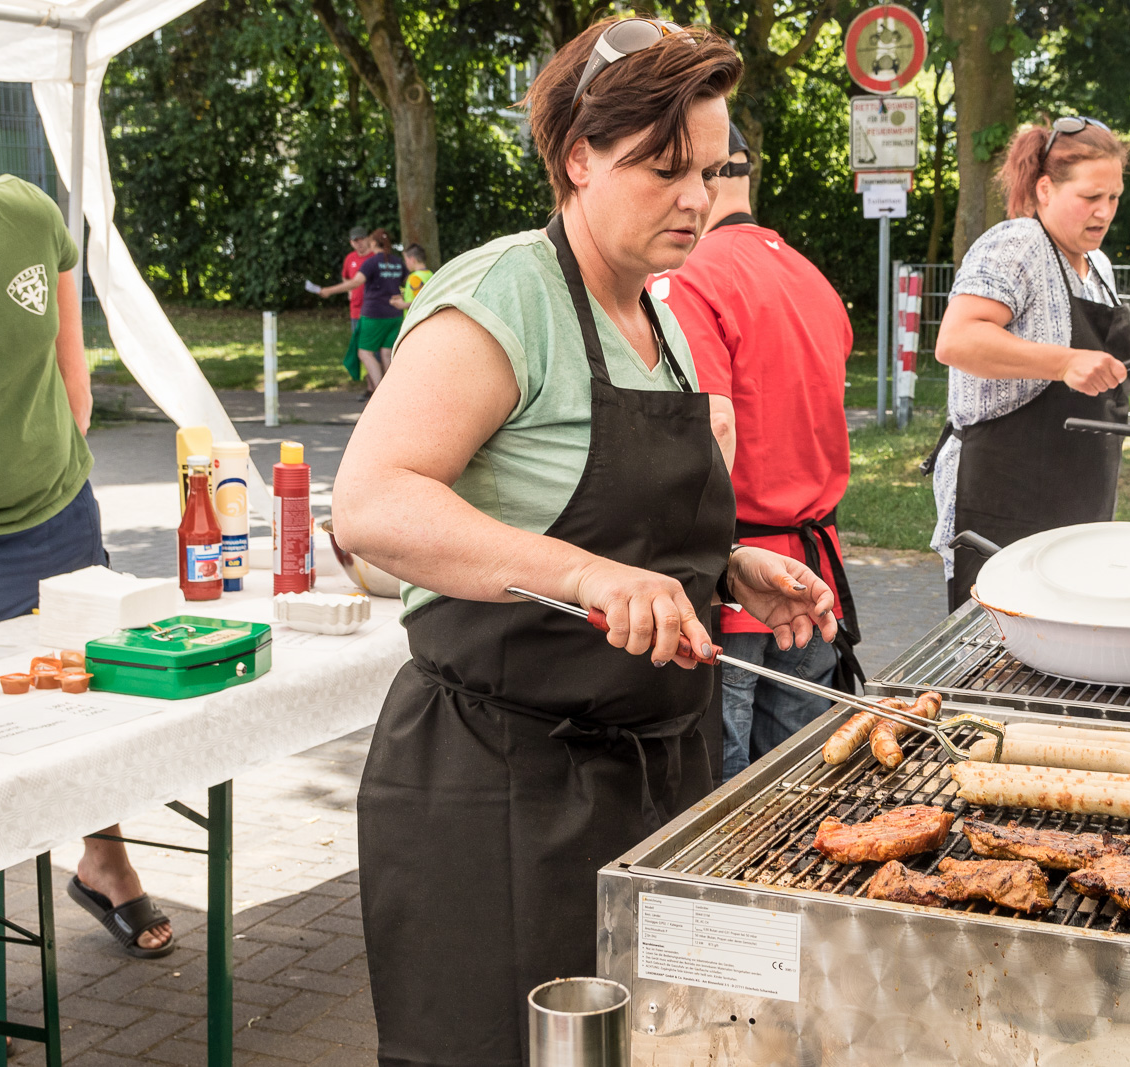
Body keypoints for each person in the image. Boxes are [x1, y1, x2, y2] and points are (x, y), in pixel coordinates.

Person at [331, 20, 836, 1066]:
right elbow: (372, 503)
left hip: (656, 777)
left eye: (708, 170)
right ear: (576, 159)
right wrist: (589, 574)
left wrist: (729, 563)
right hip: (501, 784)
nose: (695, 198)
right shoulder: (502, 293)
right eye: (664, 169)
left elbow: (628, 514)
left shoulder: (668, 316)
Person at [0, 96, 175, 1060]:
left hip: (60, 513)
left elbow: (70, 361)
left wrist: (69, 426)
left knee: (88, 697)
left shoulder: (26, 214)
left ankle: (103, 859)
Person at [651, 122, 860, 781]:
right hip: (811, 578)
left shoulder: (688, 277)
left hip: (739, 579)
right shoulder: (810, 276)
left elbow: (712, 424)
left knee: (722, 796)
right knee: (798, 787)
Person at [927, 115, 1130, 611]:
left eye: (1113, 198)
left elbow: (1091, 361)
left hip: (1080, 502)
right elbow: (957, 340)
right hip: (1007, 500)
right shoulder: (1017, 244)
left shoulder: (1098, 266)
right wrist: (1064, 362)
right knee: (999, 662)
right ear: (1045, 189)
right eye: (1091, 197)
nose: (1105, 212)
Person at [319, 227, 405, 391]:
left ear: (372, 242)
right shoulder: (397, 262)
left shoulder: (371, 262)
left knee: (365, 353)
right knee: (387, 354)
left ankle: (380, 393)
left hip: (374, 315)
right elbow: (407, 284)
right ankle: (392, 391)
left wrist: (329, 290)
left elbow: (355, 282)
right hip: (395, 315)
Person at [332, 226, 372, 393]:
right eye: (356, 240)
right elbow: (346, 276)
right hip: (355, 310)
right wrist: (349, 289)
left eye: (362, 239)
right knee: (362, 350)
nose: (359, 243)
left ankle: (374, 386)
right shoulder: (350, 258)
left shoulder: (374, 257)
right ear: (351, 243)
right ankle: (370, 385)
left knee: (372, 351)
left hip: (371, 310)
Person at [388, 243, 432, 317]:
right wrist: (403, 297)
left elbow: (422, 302)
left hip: (415, 320)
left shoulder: (414, 277)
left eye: (406, 260)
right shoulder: (430, 274)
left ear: (412, 260)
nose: (406, 263)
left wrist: (403, 305)